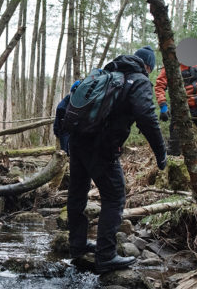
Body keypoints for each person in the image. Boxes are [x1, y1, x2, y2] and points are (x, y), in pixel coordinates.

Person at [67, 46, 167, 273]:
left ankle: (78, 246)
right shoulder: (139, 80)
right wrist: (161, 153)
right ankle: (106, 255)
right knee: (115, 197)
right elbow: (146, 117)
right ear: (148, 66)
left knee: (77, 194)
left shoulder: (107, 74)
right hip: (102, 146)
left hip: (78, 140)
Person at [53, 79, 81, 154]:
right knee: (65, 153)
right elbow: (62, 130)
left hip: (72, 131)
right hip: (62, 131)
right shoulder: (63, 107)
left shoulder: (80, 102)